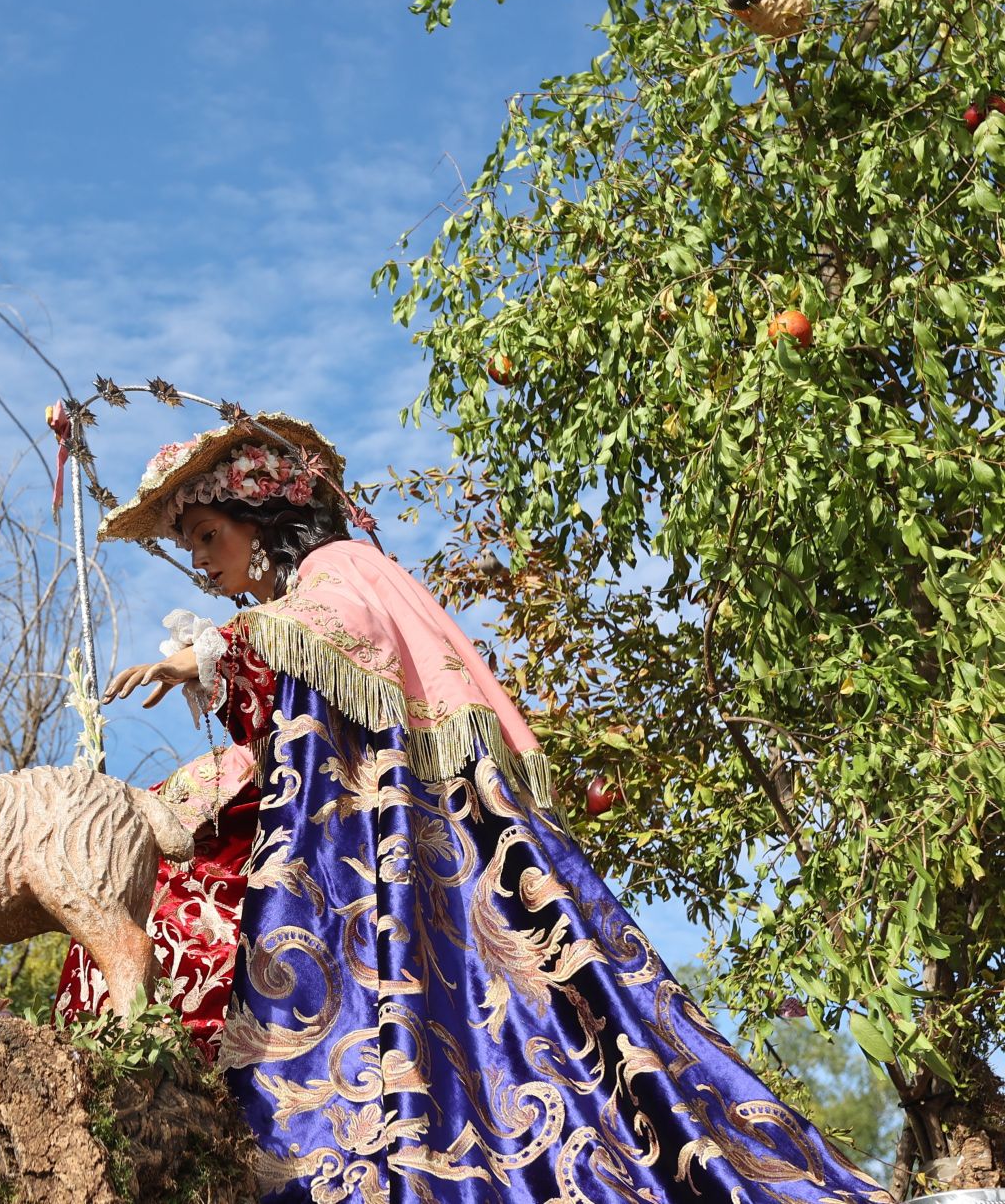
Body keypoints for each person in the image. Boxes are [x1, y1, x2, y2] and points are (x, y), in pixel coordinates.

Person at [54, 414, 891, 1203]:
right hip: (350, 835)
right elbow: (288, 735)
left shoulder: (339, 569)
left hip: (414, 840)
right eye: (191, 546)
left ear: (263, 516)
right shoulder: (300, 599)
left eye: (209, 535)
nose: (202, 562)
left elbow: (346, 631)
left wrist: (215, 648)